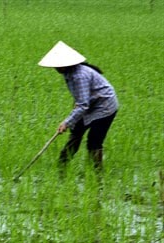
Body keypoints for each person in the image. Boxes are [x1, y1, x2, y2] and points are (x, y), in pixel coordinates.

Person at [38, 41, 118, 172]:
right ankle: (61, 167)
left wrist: (66, 122)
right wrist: (73, 118)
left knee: (94, 141)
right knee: (75, 134)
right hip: (91, 104)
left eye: (58, 65)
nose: (55, 68)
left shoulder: (79, 75)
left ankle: (98, 174)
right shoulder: (69, 73)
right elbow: (81, 99)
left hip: (105, 107)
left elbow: (83, 105)